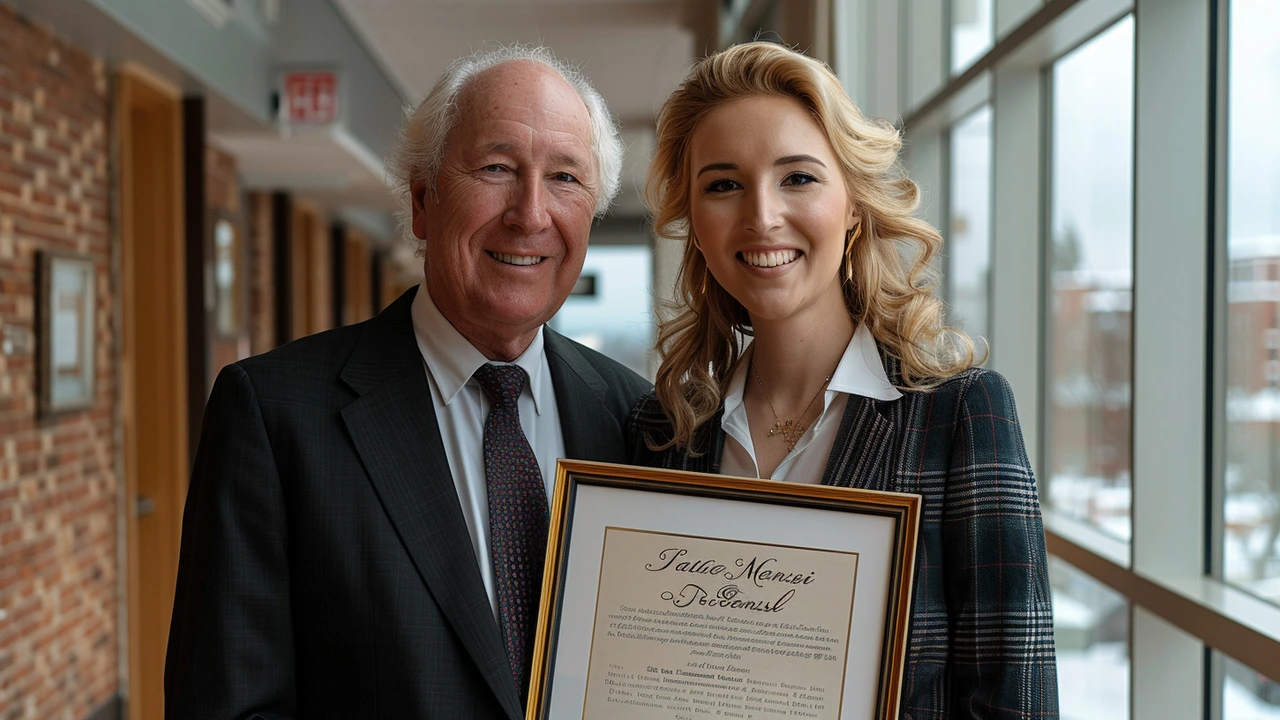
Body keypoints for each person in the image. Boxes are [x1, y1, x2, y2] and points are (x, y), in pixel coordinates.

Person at [165, 45, 651, 720]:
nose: (531, 213)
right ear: (423, 202)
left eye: (566, 178)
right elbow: (229, 705)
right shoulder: (275, 417)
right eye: (497, 168)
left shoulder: (639, 421)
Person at [628, 42, 1059, 717]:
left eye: (797, 178)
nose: (762, 216)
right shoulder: (661, 433)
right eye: (723, 184)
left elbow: (1017, 702)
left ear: (854, 206)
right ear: (696, 229)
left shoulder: (960, 416)